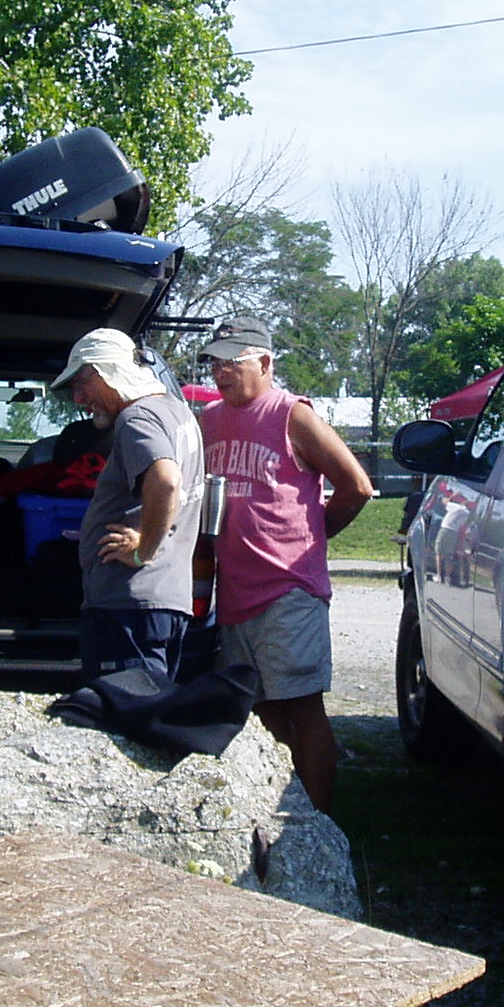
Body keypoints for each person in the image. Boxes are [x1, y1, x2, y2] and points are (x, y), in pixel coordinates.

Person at [197, 315, 374, 811]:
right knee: (261, 713)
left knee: (302, 708)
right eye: (214, 363)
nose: (220, 372)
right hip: (235, 592)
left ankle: (320, 825)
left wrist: (315, 536)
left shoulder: (292, 414)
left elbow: (358, 486)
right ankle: (279, 814)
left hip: (289, 591)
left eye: (231, 362)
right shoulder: (209, 420)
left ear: (264, 362)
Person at [51, 328, 205, 684]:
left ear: (109, 372)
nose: (78, 398)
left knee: (124, 708)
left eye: (82, 383)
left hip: (129, 607)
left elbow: (166, 481)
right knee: (151, 706)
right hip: (164, 602)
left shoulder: (137, 418)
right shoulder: (177, 413)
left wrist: (142, 552)